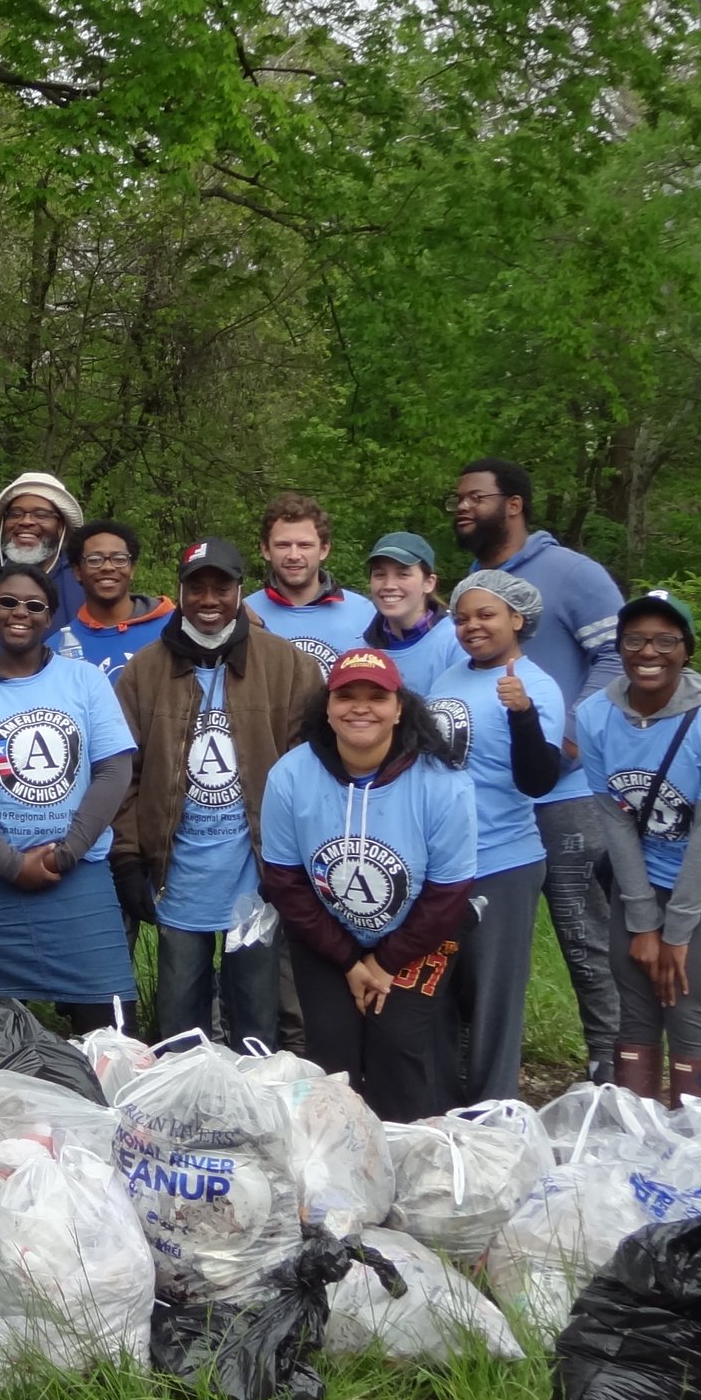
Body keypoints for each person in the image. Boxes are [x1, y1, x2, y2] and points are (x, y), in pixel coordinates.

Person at [451, 456, 629, 1082]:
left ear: (515, 503)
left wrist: (574, 731)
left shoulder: (572, 573)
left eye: (474, 497)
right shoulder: (476, 586)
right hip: (493, 808)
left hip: (567, 792)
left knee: (585, 931)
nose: (462, 508)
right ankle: (478, 1066)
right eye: (457, 500)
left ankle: (613, 1063)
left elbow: (619, 655)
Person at [111, 538, 320, 1047]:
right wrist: (128, 859)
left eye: (220, 587)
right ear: (179, 593)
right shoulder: (145, 670)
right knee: (181, 1024)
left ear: (240, 591)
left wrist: (292, 866)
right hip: (178, 879)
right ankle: (185, 1117)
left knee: (258, 1022)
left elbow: (310, 773)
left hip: (257, 875)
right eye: (196, 587)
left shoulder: (287, 666)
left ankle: (256, 1114)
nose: (209, 599)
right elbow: (123, 774)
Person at [257, 649, 476, 1122]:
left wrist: (382, 962)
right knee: (332, 1053)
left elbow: (447, 894)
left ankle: (411, 1157)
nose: (361, 707)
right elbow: (284, 880)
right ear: (328, 707)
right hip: (324, 935)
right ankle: (340, 1167)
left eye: (376, 697)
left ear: (399, 708)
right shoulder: (290, 775)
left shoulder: (443, 783)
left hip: (420, 935)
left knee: (397, 1043)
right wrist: (352, 962)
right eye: (346, 696)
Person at [578, 591, 701, 1107]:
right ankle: (635, 1142)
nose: (649, 652)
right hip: (646, 861)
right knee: (635, 997)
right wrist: (642, 922)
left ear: (687, 650)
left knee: (686, 1002)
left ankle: (698, 1146)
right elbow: (614, 822)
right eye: (635, 639)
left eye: (666, 640)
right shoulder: (596, 716)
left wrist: (677, 933)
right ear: (619, 648)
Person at [0, 564, 139, 1012]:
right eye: (6, 602)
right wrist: (8, 864)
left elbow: (114, 770)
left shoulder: (84, 680)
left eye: (34, 605)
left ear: (50, 618)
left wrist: (67, 853)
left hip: (77, 875)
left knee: (111, 1019)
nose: (19, 613)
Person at [425, 569, 564, 1104]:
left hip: (502, 861)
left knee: (491, 1003)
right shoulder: (449, 677)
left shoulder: (536, 684)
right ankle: (435, 1112)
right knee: (435, 993)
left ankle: (492, 1116)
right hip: (443, 864)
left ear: (517, 619)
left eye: (486, 615)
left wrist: (523, 715)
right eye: (461, 618)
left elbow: (539, 779)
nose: (471, 626)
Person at [242, 494, 370, 674]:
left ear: (324, 549)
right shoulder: (245, 614)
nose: (294, 555)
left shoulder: (364, 614)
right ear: (265, 550)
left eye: (304, 545)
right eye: (283, 545)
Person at [55, 520, 174, 675]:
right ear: (77, 571)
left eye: (119, 559)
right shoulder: (59, 647)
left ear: (132, 569)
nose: (108, 567)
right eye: (94, 560)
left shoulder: (173, 626)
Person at [0, 471, 88, 628]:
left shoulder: (82, 583)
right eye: (15, 514)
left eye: (40, 515)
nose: (26, 521)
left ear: (61, 528)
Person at [362, 532, 457, 688]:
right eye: (379, 575)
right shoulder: (360, 650)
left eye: (403, 574)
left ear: (429, 583)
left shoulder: (454, 643)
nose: (389, 585)